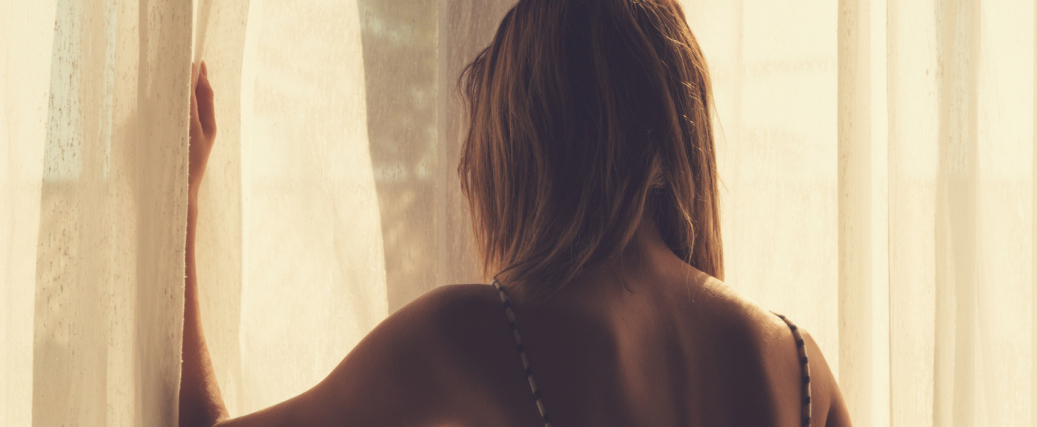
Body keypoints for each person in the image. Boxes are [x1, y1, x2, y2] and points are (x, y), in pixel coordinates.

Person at [179, 0, 850, 426]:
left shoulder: (464, 336)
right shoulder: (799, 367)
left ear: (520, 148)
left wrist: (181, 210)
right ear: (680, 134)